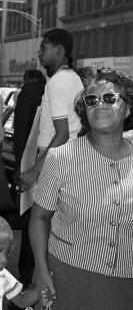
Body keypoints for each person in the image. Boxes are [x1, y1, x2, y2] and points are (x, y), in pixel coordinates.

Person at [29, 67, 133, 309]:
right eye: (91, 100)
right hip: (69, 280)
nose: (100, 104)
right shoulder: (59, 158)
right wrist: (42, 271)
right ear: (84, 109)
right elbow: (39, 217)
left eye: (110, 98)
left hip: (126, 287)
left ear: (127, 108)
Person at [18, 29, 83, 192]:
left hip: (55, 159)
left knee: (42, 215)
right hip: (70, 156)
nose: (39, 52)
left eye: (44, 47)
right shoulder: (75, 78)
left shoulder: (57, 82)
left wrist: (35, 170)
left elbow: (62, 133)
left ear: (59, 50)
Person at [12, 69, 46, 288]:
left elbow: (21, 130)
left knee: (32, 219)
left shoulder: (28, 93)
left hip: (32, 164)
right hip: (52, 166)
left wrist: (20, 167)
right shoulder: (48, 90)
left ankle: (27, 281)